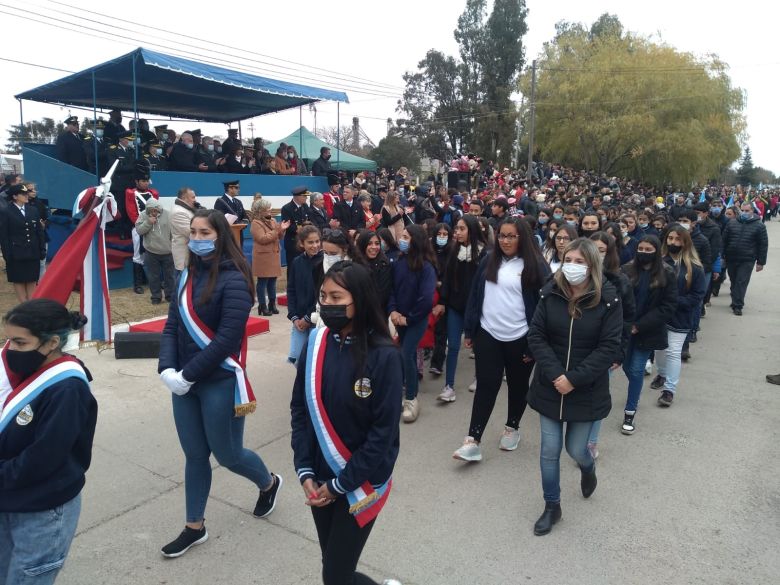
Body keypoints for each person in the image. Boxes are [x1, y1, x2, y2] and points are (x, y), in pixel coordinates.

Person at [158, 209, 281, 558]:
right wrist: (167, 369)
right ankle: (194, 526)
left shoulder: (236, 278)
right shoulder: (185, 275)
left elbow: (226, 339)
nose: (197, 239)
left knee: (228, 455)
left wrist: (187, 374)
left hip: (219, 381)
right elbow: (171, 325)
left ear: (221, 236)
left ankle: (269, 483)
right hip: (184, 382)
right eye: (193, 232)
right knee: (195, 455)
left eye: (204, 233)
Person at [290, 261, 403, 585]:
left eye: (337, 298)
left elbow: (382, 435)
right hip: (319, 477)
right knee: (334, 566)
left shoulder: (385, 357)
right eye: (323, 296)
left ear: (360, 300)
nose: (327, 304)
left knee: (335, 576)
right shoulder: (315, 344)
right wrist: (305, 470)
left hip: (361, 483)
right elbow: (300, 408)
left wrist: (339, 485)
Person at [526, 238, 622, 536]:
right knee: (550, 450)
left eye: (580, 262)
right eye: (569, 259)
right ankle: (552, 506)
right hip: (550, 385)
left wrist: (575, 378)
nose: (573, 267)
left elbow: (608, 348)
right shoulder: (549, 293)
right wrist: (557, 375)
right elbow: (536, 336)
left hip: (586, 389)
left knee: (576, 448)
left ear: (592, 265)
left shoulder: (608, 300)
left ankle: (588, 468)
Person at [0, 299, 95, 585]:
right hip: (11, 498)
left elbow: (43, 458)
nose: (9, 350)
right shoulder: (29, 371)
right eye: (7, 340)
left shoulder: (67, 388)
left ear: (51, 343)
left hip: (42, 512)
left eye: (19, 342)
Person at [453, 217, 549, 461]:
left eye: (511, 236)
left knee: (518, 386)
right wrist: (470, 330)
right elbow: (476, 295)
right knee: (486, 384)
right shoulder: (488, 260)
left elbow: (545, 307)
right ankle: (473, 440)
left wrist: (535, 342)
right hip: (488, 334)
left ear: (523, 238)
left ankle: (512, 427)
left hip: (521, 337)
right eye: (502, 235)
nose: (505, 241)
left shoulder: (536, 265)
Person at [619, 235, 677, 434]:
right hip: (625, 329)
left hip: (647, 331)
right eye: (640, 249)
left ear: (657, 251)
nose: (643, 253)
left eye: (648, 249)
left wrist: (640, 326)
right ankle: (635, 390)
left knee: (636, 369)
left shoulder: (667, 273)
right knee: (626, 367)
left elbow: (668, 306)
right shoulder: (626, 270)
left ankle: (630, 411)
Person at [586, 232, 636, 457]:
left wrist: (619, 352)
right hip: (578, 347)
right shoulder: (576, 277)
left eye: (602, 250)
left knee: (596, 397)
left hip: (604, 349)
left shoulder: (619, 280)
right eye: (592, 250)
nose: (596, 255)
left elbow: (627, 319)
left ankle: (591, 442)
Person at [650, 226, 705, 406]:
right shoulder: (658, 262)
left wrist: (673, 301)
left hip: (680, 317)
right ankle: (662, 373)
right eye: (670, 238)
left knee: (673, 352)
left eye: (678, 239)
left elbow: (697, 296)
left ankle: (669, 390)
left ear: (685, 242)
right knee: (659, 349)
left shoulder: (694, 268)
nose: (673, 242)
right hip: (659, 316)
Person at [434, 215, 486, 403]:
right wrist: (443, 302)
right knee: (454, 346)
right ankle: (449, 386)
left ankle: (479, 377)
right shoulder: (453, 251)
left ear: (471, 230)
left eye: (462, 229)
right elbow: (447, 279)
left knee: (479, 346)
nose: (457, 232)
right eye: (457, 228)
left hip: (478, 309)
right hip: (455, 307)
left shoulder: (484, 253)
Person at [388, 225, 437, 423]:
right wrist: (392, 311)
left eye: (406, 237)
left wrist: (409, 318)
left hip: (415, 320)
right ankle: (402, 392)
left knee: (406, 353)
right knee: (401, 355)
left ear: (415, 240)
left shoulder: (426, 267)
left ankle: (411, 398)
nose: (402, 239)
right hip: (399, 318)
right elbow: (391, 289)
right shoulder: (399, 262)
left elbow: (426, 299)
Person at [0, 184, 46, 302]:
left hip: (32, 252)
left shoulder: (33, 210)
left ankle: (31, 305)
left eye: (27, 193)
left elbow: (39, 232)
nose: (26, 196)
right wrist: (7, 255)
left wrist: (42, 249)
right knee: (19, 279)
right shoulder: (6, 212)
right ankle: (23, 305)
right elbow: (4, 236)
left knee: (32, 279)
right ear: (15, 196)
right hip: (16, 253)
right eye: (23, 194)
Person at [721, 201, 768, 315]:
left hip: (747, 259)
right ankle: (735, 299)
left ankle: (738, 305)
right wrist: (722, 256)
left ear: (752, 211)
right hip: (731, 257)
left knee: (741, 281)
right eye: (742, 210)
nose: (744, 213)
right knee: (734, 280)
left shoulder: (759, 225)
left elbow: (763, 244)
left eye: (747, 211)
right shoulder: (732, 223)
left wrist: (761, 262)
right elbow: (724, 240)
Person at [287, 226, 324, 365]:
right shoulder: (297, 262)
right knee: (296, 357)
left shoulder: (324, 262)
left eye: (317, 241)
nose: (315, 245)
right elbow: (291, 290)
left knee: (313, 358)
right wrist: (294, 316)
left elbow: (321, 295)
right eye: (310, 242)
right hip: (299, 320)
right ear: (302, 243)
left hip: (316, 318)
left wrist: (308, 317)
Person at [251, 198, 290, 316]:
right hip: (263, 256)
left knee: (272, 281)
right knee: (262, 281)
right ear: (260, 211)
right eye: (267, 209)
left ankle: (272, 304)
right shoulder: (255, 223)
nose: (270, 210)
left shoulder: (273, 220)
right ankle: (262, 306)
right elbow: (262, 239)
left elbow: (279, 237)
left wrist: (282, 230)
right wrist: (278, 230)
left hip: (274, 254)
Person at [135, 198, 175, 305]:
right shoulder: (143, 215)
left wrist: (172, 245)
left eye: (156, 209)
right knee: (153, 276)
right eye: (151, 210)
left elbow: (173, 232)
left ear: (159, 208)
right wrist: (148, 222)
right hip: (151, 252)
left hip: (168, 252)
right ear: (147, 209)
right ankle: (156, 297)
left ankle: (170, 295)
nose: (154, 212)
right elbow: (139, 230)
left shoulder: (168, 214)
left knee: (170, 276)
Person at [125, 174, 160, 294]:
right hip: (138, 227)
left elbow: (157, 209)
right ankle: (138, 284)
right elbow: (132, 212)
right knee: (138, 255)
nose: (146, 183)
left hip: (152, 226)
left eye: (147, 181)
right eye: (143, 181)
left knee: (152, 253)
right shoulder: (131, 193)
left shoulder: (153, 193)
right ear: (137, 181)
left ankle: (153, 281)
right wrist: (143, 226)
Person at [354, 230, 393, 313]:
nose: (374, 247)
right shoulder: (355, 262)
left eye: (377, 243)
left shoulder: (384, 264)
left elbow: (382, 295)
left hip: (377, 315)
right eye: (369, 243)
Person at [281, 186, 311, 279]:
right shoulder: (287, 208)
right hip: (293, 242)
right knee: (293, 266)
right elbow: (288, 225)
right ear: (297, 197)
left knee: (304, 266)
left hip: (304, 241)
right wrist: (300, 229)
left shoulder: (305, 206)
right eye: (304, 196)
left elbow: (308, 219)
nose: (306, 198)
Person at [171, 187, 198, 276]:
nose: (195, 199)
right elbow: (190, 233)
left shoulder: (186, 209)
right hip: (185, 255)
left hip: (191, 253)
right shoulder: (179, 212)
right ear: (184, 198)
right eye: (193, 197)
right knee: (183, 284)